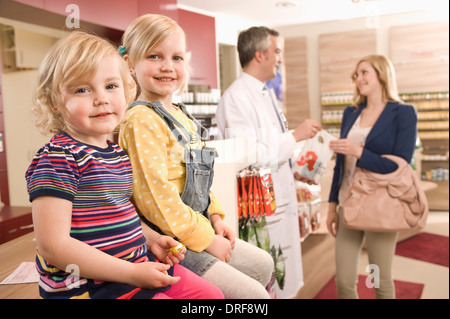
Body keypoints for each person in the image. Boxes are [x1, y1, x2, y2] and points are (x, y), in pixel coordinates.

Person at [25, 30, 224, 299]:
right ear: (54, 102)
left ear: (126, 89)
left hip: (134, 268)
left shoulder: (116, 153)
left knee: (212, 296)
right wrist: (131, 274)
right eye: (82, 89)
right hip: (89, 287)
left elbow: (120, 212)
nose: (101, 98)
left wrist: (152, 240)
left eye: (110, 86)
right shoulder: (58, 158)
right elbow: (53, 246)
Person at [118, 14, 274, 299]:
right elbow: (157, 200)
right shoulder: (140, 119)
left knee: (264, 263)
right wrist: (208, 240)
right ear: (130, 64)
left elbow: (201, 178)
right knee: (254, 295)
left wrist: (216, 216)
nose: (168, 67)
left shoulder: (181, 115)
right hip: (173, 242)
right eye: (154, 56)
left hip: (199, 226)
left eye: (176, 58)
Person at [215, 26, 321, 298]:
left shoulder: (266, 93)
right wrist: (295, 136)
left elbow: (274, 145)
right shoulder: (236, 97)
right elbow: (249, 154)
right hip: (261, 203)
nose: (280, 58)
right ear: (259, 55)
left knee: (285, 272)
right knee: (269, 274)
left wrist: (297, 169)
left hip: (281, 196)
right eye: (277, 52)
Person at [326, 54, 418, 299]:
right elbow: (341, 164)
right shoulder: (351, 112)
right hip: (348, 204)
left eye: (365, 72)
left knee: (379, 279)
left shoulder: (403, 113)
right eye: (357, 74)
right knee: (344, 281)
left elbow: (399, 165)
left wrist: (358, 151)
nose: (359, 79)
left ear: (382, 74)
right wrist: (332, 206)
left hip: (380, 206)